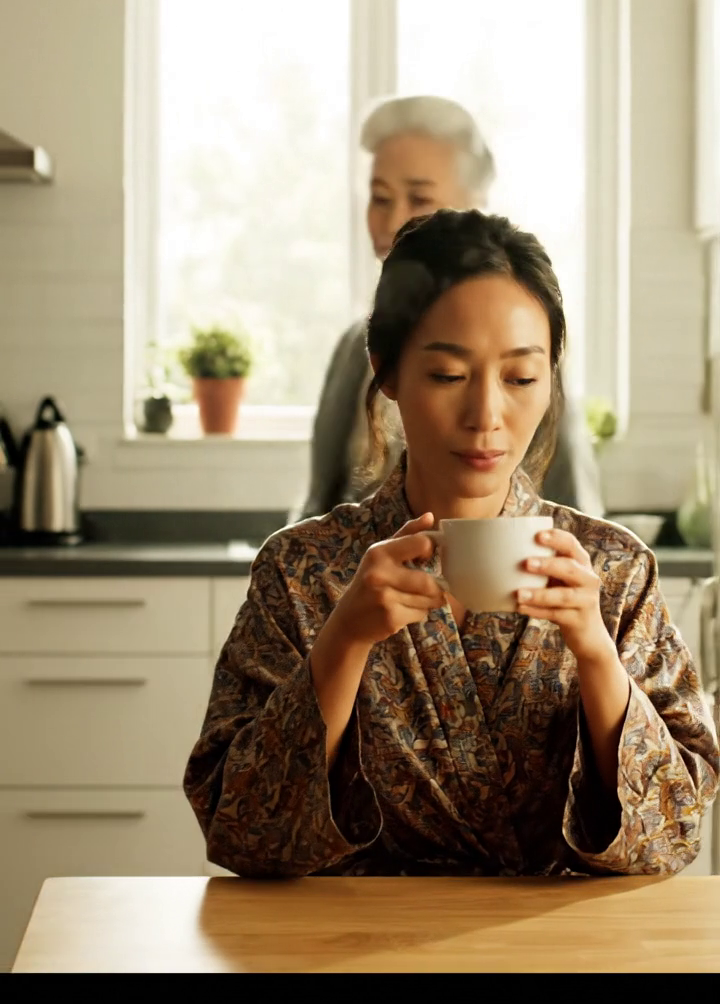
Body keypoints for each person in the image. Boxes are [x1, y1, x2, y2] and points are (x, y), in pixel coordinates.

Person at [184, 209, 718, 878]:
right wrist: (343, 639)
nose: (487, 417)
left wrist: (594, 651)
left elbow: (676, 834)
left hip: (564, 949)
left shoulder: (612, 570)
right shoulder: (301, 572)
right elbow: (240, 834)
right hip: (354, 947)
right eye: (447, 376)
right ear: (386, 372)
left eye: (521, 378)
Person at [296, 94, 603, 522]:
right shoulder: (354, 347)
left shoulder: (528, 340)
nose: (391, 223)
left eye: (419, 200)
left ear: (474, 206)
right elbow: (318, 503)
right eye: (380, 199)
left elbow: (576, 513)